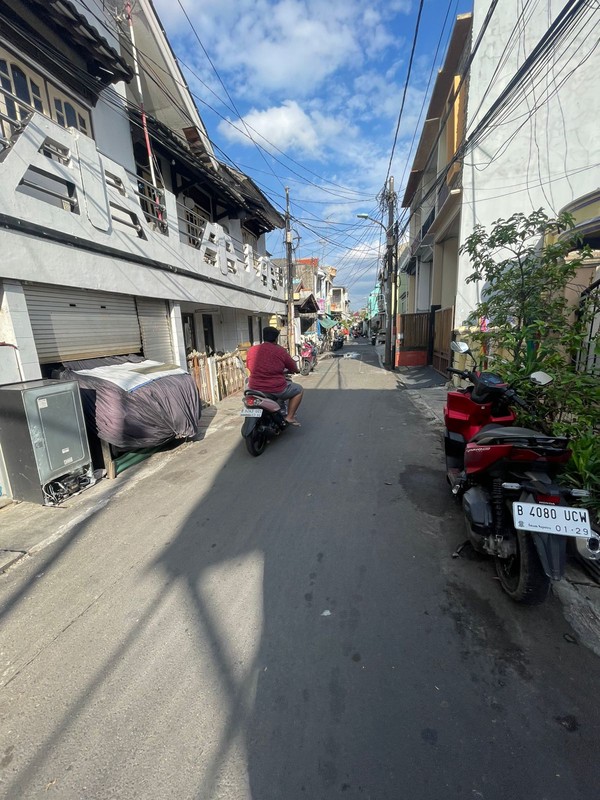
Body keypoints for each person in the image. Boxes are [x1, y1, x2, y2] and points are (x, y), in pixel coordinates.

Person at [246, 327, 304, 426]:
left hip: (254, 387)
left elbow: (248, 366)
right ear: (276, 339)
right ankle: (290, 417)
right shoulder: (280, 351)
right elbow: (293, 366)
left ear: (263, 337)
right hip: (275, 388)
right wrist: (296, 370)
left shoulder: (251, 350)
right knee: (299, 389)